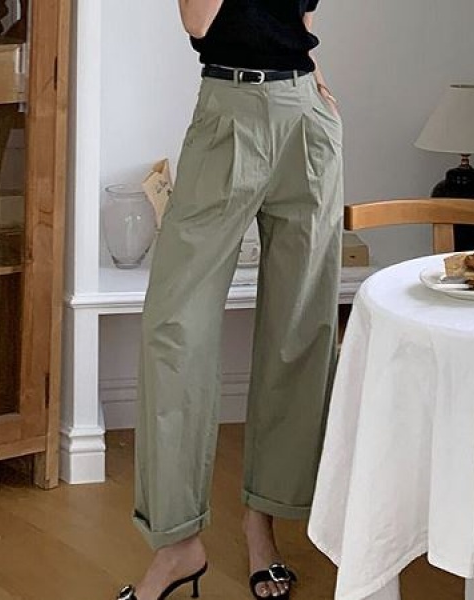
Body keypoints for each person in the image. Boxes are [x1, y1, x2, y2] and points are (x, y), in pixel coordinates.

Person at [117, 1, 343, 598]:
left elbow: (300, 19)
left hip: (305, 116)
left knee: (299, 327)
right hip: (229, 113)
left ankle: (262, 521)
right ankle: (177, 544)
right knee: (174, 328)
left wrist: (316, 86)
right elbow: (198, 21)